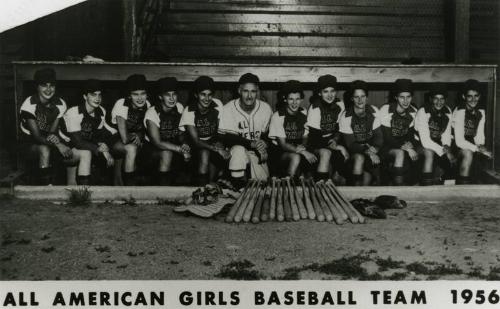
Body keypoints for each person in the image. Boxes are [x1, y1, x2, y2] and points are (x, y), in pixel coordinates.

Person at [218, 73, 273, 188]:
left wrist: (264, 143)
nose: (249, 96)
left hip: (256, 153)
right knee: (238, 150)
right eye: (245, 91)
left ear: (257, 91)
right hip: (233, 154)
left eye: (253, 91)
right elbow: (227, 138)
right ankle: (236, 185)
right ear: (239, 90)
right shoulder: (229, 108)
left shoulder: (265, 108)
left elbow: (268, 134)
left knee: (262, 186)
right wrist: (251, 143)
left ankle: (234, 182)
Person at [19, 68, 70, 184]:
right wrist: (58, 144)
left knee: (59, 150)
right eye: (44, 86)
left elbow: (52, 132)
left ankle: (53, 184)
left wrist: (56, 140)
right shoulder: (29, 104)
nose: (48, 89)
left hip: (47, 139)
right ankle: (45, 188)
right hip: (28, 143)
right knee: (44, 148)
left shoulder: (60, 104)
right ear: (37, 87)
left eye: (51, 85)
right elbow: (36, 137)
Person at [60, 79, 116, 185]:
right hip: (62, 149)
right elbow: (78, 142)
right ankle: (84, 192)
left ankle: (82, 192)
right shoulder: (74, 112)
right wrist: (100, 149)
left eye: (99, 95)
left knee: (87, 154)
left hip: (78, 149)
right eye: (93, 95)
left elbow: (96, 136)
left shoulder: (101, 111)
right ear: (85, 97)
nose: (97, 98)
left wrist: (104, 147)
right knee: (86, 153)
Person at [179, 76, 228, 185]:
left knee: (224, 154)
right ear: (196, 95)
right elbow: (196, 141)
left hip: (211, 141)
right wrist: (216, 149)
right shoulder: (189, 111)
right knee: (205, 153)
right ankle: (202, 188)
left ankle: (210, 184)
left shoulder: (218, 104)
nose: (207, 98)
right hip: (192, 144)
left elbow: (220, 130)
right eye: (203, 94)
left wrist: (219, 144)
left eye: (210, 94)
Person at [143, 77, 191, 185]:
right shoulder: (152, 112)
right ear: (160, 96)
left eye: (174, 94)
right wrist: (180, 150)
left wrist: (184, 144)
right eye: (167, 95)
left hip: (172, 145)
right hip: (150, 150)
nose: (172, 98)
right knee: (167, 153)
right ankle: (162, 193)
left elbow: (182, 132)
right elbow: (157, 142)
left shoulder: (179, 107)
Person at [268, 80, 316, 178]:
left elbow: (306, 136)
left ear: (301, 99)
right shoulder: (278, 116)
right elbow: (283, 145)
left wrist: (303, 146)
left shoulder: (304, 112)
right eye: (291, 99)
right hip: (280, 153)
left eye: (297, 99)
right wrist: (302, 152)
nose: (294, 103)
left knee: (311, 159)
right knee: (296, 157)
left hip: (298, 148)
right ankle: (288, 185)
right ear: (285, 99)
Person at [339, 80, 383, 186]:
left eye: (363, 96)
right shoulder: (346, 116)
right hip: (353, 154)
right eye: (356, 97)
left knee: (372, 181)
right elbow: (351, 145)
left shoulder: (374, 111)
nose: (360, 100)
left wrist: (375, 149)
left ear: (367, 97)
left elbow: (378, 137)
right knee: (360, 158)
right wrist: (369, 152)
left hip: (371, 151)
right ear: (352, 98)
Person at [306, 74, 349, 181]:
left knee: (345, 156)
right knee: (327, 153)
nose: (330, 95)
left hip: (332, 140)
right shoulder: (315, 108)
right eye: (325, 91)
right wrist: (335, 146)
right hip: (315, 142)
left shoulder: (340, 104)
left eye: (332, 91)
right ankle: (321, 187)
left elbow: (339, 128)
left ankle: (336, 178)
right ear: (320, 93)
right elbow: (315, 137)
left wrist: (335, 140)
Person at [111, 74, 151, 185]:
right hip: (110, 139)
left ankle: (126, 187)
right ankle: (130, 189)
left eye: (143, 94)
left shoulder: (147, 105)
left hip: (129, 140)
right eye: (135, 94)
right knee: (131, 148)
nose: (140, 98)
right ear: (129, 96)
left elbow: (145, 131)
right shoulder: (121, 104)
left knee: (137, 149)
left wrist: (139, 135)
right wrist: (135, 136)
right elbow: (124, 138)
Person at [379, 79, 419, 185]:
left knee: (418, 153)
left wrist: (410, 145)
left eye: (408, 97)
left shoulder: (413, 111)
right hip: (386, 146)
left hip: (403, 144)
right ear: (396, 97)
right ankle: (398, 191)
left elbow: (412, 135)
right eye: (402, 97)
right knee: (400, 153)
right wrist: (406, 148)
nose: (405, 101)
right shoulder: (386, 109)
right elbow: (387, 138)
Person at [452, 79, 492, 184]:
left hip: (471, 142)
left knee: (487, 155)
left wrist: (481, 146)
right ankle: (462, 191)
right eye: (469, 96)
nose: (473, 99)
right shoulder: (460, 111)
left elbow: (479, 135)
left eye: (476, 96)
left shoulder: (481, 112)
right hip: (455, 144)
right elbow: (459, 141)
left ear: (480, 96)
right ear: (464, 97)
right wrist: (477, 149)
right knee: (468, 153)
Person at [415, 84, 455, 185]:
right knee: (430, 152)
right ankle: (426, 189)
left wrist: (447, 147)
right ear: (430, 99)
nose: (439, 102)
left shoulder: (447, 111)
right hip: (419, 143)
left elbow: (446, 134)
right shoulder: (423, 111)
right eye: (436, 99)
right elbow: (425, 141)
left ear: (445, 100)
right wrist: (444, 152)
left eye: (442, 99)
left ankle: (446, 189)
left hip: (437, 143)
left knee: (451, 160)